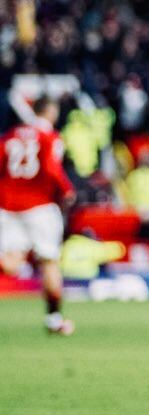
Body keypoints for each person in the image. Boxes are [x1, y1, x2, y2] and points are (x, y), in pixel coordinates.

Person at [0, 95, 74, 336]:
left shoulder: (11, 135)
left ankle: (54, 320)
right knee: (49, 261)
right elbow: (52, 168)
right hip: (40, 207)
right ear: (51, 112)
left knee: (12, 264)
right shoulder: (50, 137)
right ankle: (54, 320)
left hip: (8, 207)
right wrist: (67, 190)